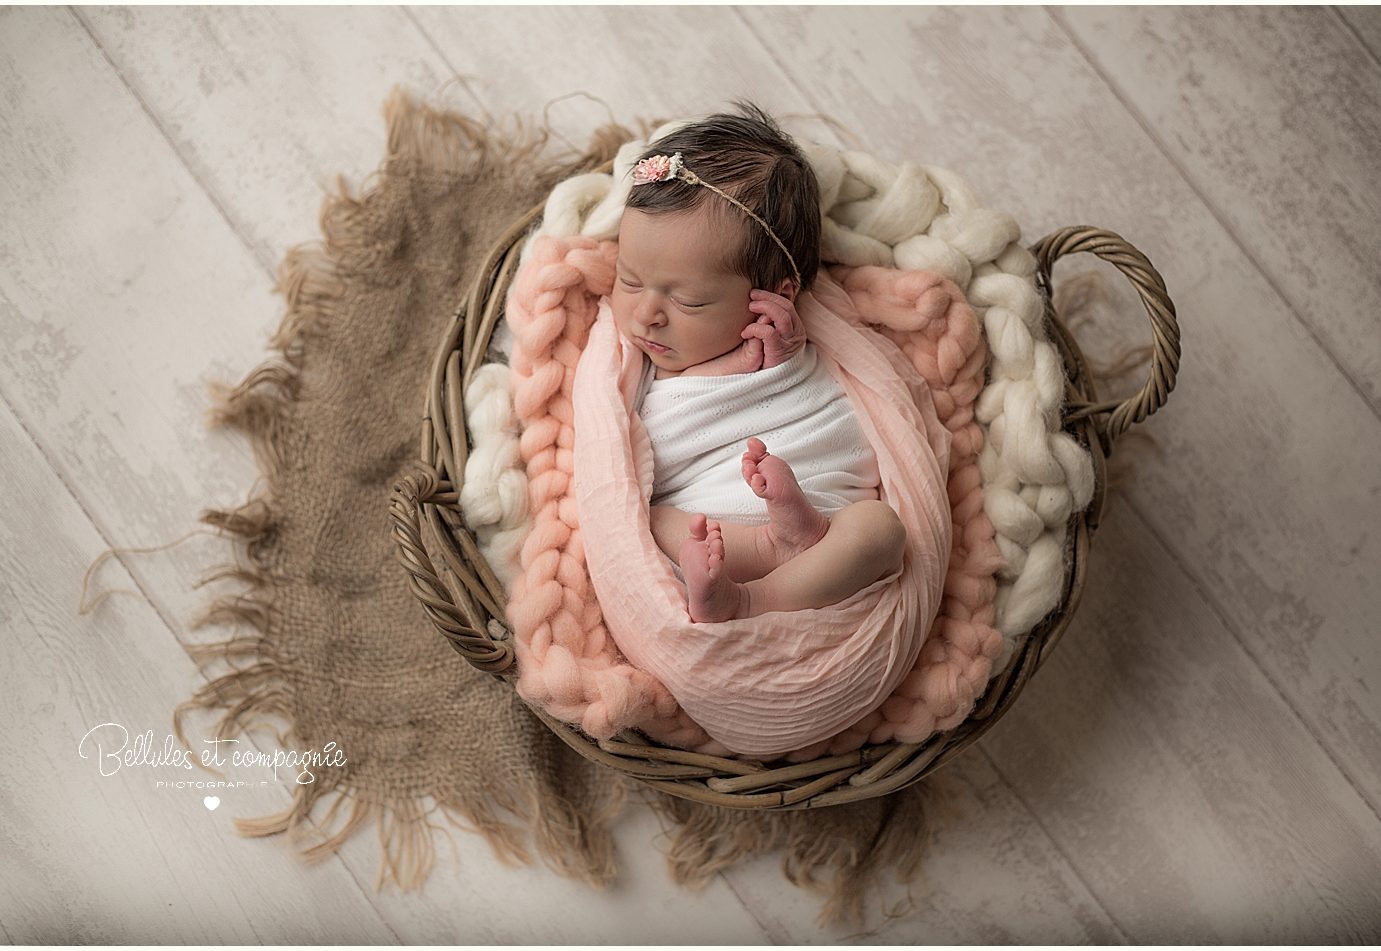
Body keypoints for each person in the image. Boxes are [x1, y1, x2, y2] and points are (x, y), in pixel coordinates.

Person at [604, 103, 909, 623]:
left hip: (825, 531)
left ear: (772, 297)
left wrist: (779, 365)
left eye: (689, 302)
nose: (647, 314)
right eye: (629, 280)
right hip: (722, 538)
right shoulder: (631, 366)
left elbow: (836, 410)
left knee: (883, 529)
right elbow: (646, 455)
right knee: (645, 519)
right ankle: (761, 559)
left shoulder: (796, 348)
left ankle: (755, 599)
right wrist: (727, 371)